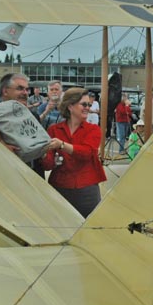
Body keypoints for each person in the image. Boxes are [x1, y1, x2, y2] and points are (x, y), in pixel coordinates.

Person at [42, 88, 106, 217]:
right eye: (84, 104)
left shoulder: (93, 130)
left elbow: (87, 153)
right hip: (59, 187)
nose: (88, 107)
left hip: (86, 188)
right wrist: (43, 154)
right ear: (70, 106)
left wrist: (62, 145)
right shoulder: (53, 129)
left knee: (88, 227)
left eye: (89, 104)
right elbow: (47, 165)